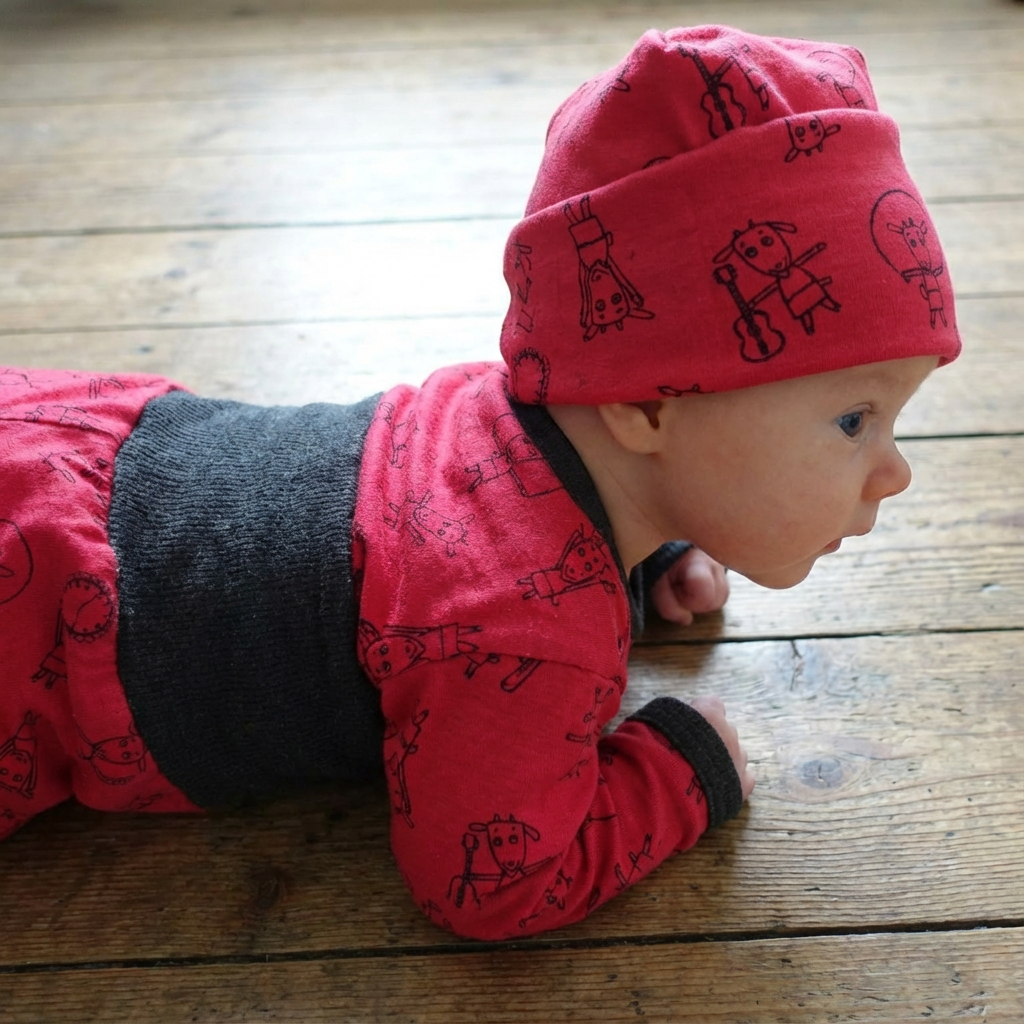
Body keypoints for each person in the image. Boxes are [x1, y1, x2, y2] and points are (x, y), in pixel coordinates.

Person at [0, 25, 959, 941]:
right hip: (39, 629)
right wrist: (678, 770)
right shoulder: (526, 638)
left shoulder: (492, 413)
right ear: (647, 407)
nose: (896, 470)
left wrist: (653, 539)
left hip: (87, 465)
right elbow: (492, 885)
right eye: (854, 420)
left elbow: (527, 498)